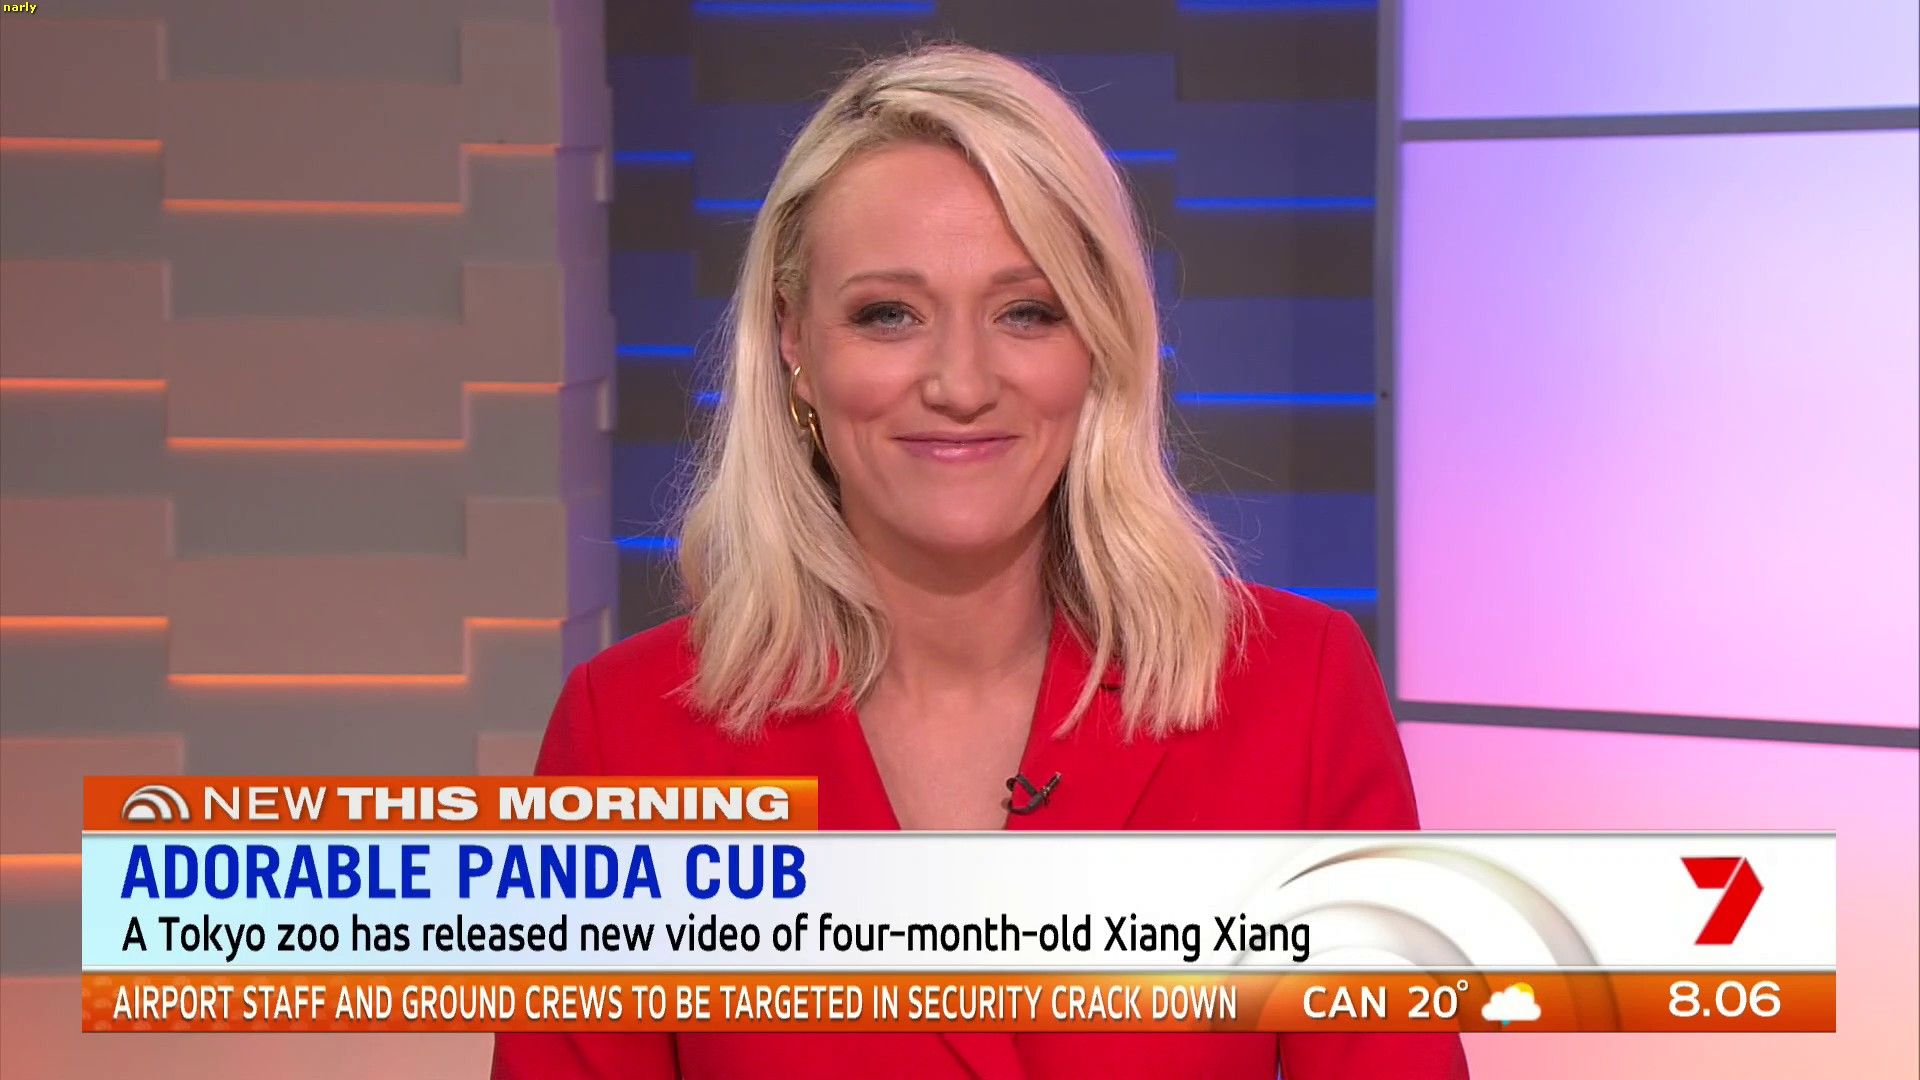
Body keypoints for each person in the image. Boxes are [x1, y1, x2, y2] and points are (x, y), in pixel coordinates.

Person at [493, 42, 1468, 1079]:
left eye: (1026, 312)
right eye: (889, 315)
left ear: (1096, 343)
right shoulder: (626, 736)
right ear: (794, 344)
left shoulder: (1296, 693)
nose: (960, 384)